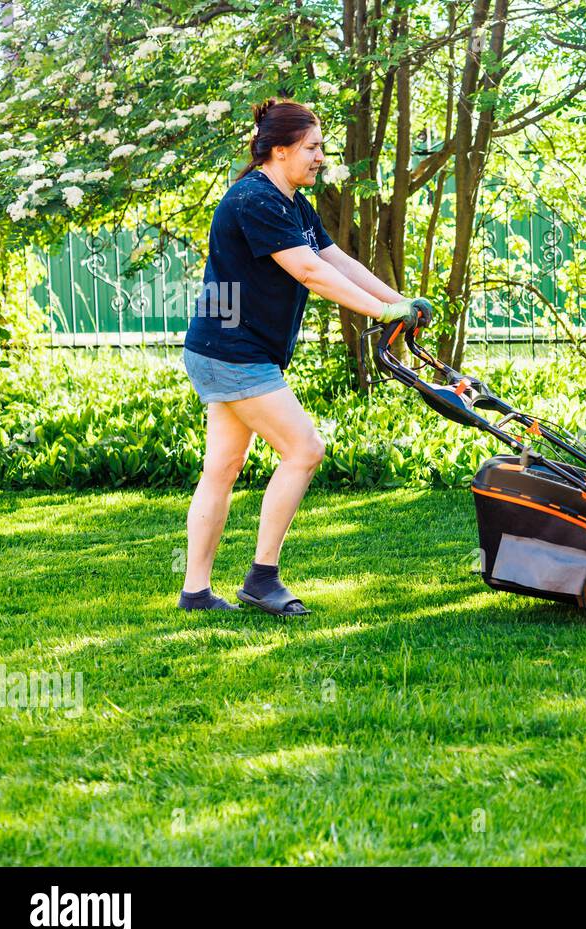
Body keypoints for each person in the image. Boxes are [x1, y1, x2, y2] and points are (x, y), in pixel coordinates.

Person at [178, 97, 417, 616]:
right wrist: (382, 312)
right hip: (231, 351)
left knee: (222, 467)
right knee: (305, 450)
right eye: (312, 148)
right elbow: (308, 272)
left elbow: (335, 259)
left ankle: (195, 592)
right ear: (280, 150)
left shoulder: (292, 202)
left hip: (228, 349)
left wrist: (396, 302)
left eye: (321, 148)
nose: (320, 157)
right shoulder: (254, 200)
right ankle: (262, 579)